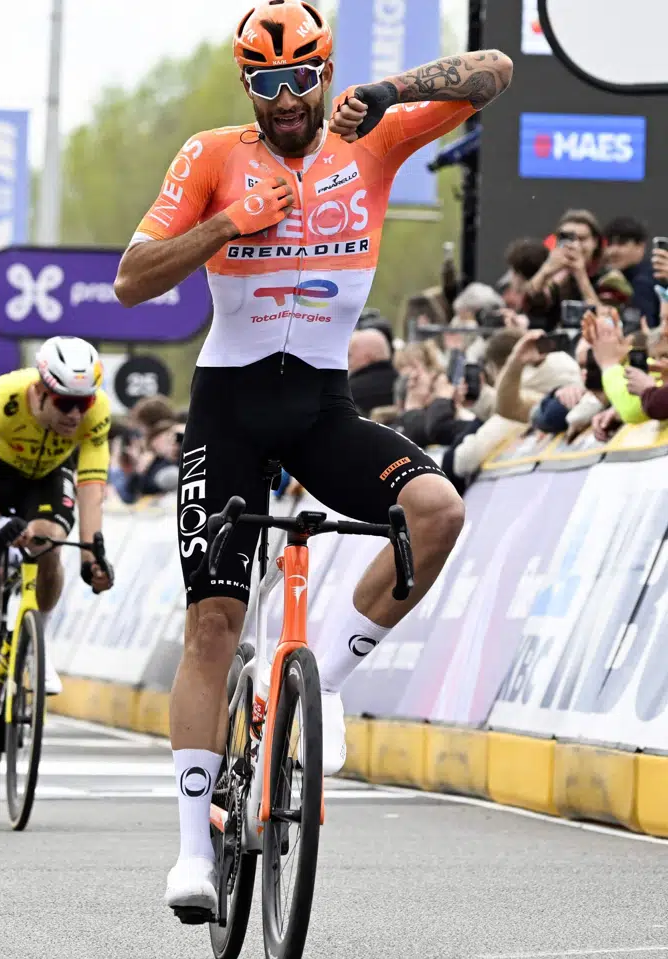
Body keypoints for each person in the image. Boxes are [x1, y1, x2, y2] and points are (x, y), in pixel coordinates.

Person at [112, 0, 511, 919]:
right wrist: (227, 225)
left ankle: (320, 685)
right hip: (231, 407)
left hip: (324, 404)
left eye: (301, 80)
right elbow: (132, 279)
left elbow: (495, 70)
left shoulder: (367, 138)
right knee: (213, 620)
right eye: (266, 84)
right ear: (245, 83)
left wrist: (388, 89)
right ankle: (190, 856)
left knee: (440, 510)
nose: (286, 100)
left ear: (326, 72)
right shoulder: (211, 155)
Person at [0, 336, 117, 790]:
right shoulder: (3, 398)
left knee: (47, 542)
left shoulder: (94, 413)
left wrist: (94, 550)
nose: (75, 415)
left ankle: (35, 637)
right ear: (40, 391)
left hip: (45, 480)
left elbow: (92, 483)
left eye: (83, 403)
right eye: (64, 403)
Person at [602, 216, 660, 328]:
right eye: (609, 244)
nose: (612, 251)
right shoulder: (612, 279)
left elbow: (645, 333)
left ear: (640, 246)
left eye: (621, 243)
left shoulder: (644, 281)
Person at [347, 326, 396, 415]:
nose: (347, 361)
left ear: (368, 356)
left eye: (350, 355)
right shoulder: (405, 384)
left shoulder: (349, 392)